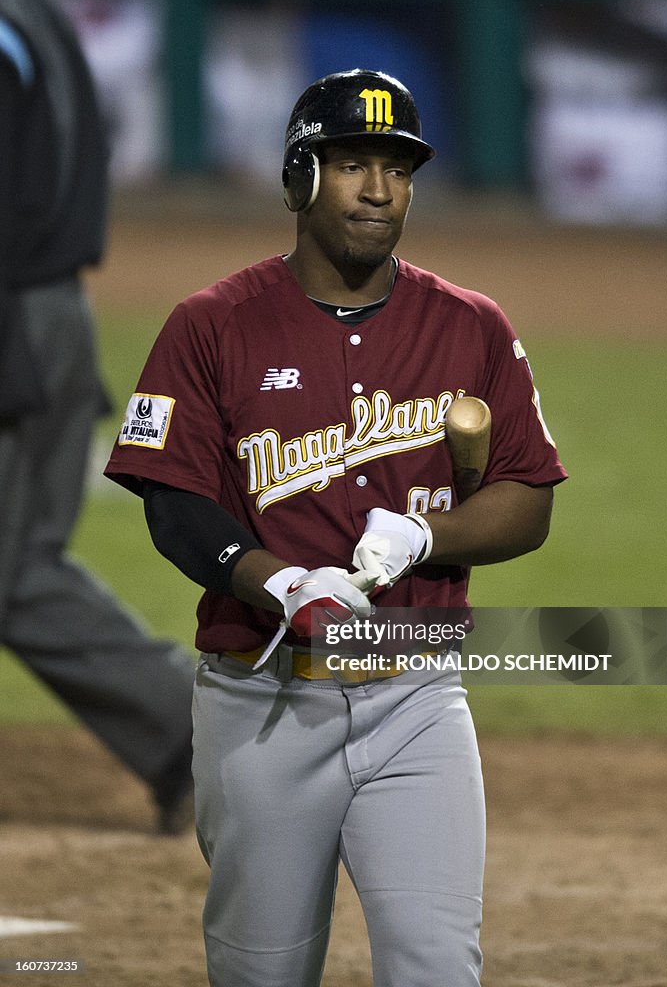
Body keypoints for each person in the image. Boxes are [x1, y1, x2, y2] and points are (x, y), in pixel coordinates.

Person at [105, 69, 568, 985]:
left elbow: (527, 495)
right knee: (262, 972)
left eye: (397, 170)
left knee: (436, 966)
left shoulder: (470, 325)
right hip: (261, 702)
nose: (379, 190)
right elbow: (172, 499)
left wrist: (428, 539)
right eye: (351, 164)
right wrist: (280, 581)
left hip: (416, 697)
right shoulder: (211, 325)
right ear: (298, 181)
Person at [0, 0, 195, 835]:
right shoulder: (28, 0)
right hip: (51, 307)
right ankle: (201, 736)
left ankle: (201, 732)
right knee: (19, 563)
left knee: (15, 569)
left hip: (17, 312)